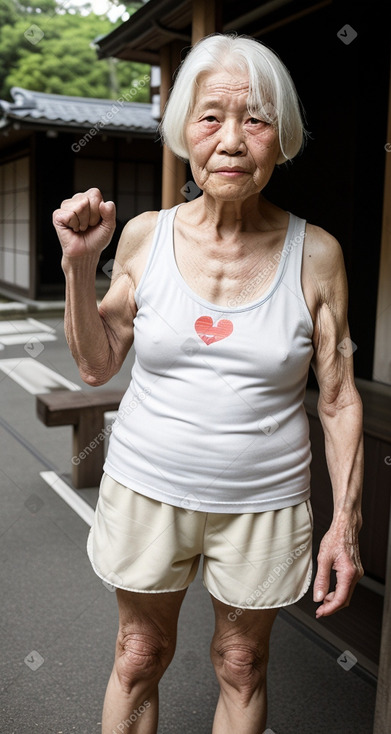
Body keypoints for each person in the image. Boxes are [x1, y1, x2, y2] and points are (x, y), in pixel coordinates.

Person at [53, 32, 364, 734]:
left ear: (279, 138)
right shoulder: (142, 237)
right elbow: (97, 364)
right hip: (145, 485)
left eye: (253, 119)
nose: (230, 140)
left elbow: (339, 397)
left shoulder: (316, 255)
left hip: (264, 502)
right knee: (138, 653)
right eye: (210, 117)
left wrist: (344, 523)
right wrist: (79, 265)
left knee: (241, 663)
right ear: (182, 133)